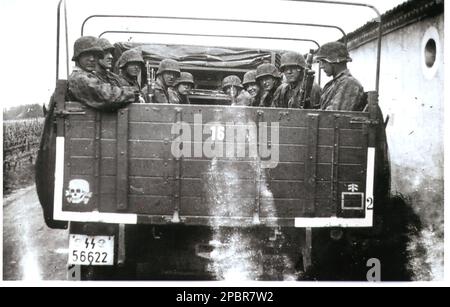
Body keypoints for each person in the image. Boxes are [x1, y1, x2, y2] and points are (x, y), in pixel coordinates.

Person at [68, 36, 139, 111]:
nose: (92, 59)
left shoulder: (89, 76)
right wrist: (133, 93)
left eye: (96, 55)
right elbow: (107, 96)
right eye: (87, 54)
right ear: (78, 56)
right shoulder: (79, 78)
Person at [315, 41, 366, 111]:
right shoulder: (335, 83)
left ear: (335, 61)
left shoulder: (349, 83)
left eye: (324, 62)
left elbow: (334, 115)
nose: (321, 66)